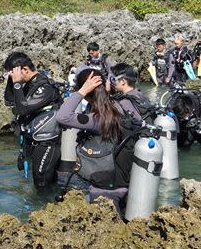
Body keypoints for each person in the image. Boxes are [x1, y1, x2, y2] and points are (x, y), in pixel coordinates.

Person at [56, 69, 142, 210]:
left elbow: (62, 117)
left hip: (98, 181)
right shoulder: (119, 105)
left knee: (63, 182)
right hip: (121, 178)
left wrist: (81, 91)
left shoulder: (97, 119)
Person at [3, 52, 63, 187]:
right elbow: (9, 102)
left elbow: (23, 109)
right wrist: (11, 81)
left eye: (13, 72)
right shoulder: (29, 85)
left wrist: (17, 84)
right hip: (33, 140)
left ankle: (51, 206)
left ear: (24, 69)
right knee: (35, 180)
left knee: (41, 182)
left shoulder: (45, 87)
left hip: (47, 142)